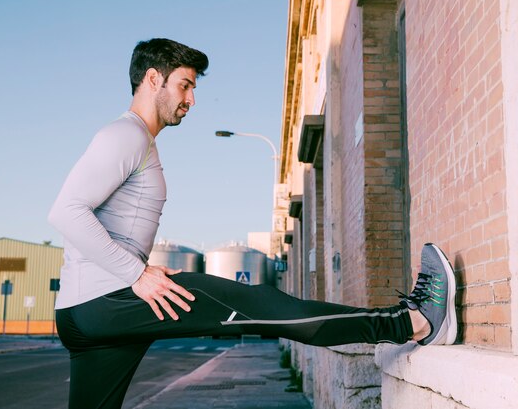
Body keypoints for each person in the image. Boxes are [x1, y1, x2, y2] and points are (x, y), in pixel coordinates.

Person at [48, 38, 457, 409]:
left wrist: (137, 272)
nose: (191, 99)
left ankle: (411, 322)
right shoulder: (126, 135)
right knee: (271, 308)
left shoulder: (137, 140)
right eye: (185, 85)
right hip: (110, 299)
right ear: (153, 79)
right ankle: (414, 322)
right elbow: (66, 211)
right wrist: (137, 273)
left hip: (82, 313)